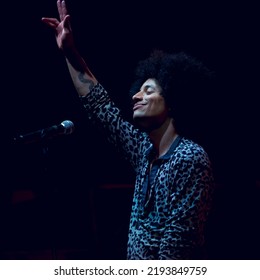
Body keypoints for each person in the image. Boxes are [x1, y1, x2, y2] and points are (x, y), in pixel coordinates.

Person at [42, 0, 215, 260]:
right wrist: (70, 52)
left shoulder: (190, 159)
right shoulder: (145, 153)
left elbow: (178, 247)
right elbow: (100, 107)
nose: (136, 96)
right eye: (138, 89)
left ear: (173, 102)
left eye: (148, 91)